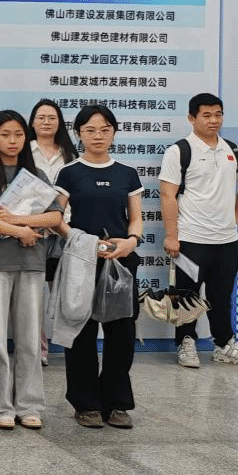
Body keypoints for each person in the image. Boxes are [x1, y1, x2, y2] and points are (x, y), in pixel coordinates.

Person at [0, 110, 63, 430]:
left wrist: (17, 221)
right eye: (5, 134)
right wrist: (20, 231)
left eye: (19, 134)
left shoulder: (36, 175)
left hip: (31, 264)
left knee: (29, 339)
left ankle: (29, 405)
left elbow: (54, 218)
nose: (13, 141)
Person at [55, 104, 144, 429]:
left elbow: (136, 217)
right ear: (79, 133)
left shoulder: (127, 173)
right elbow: (55, 219)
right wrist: (83, 242)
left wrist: (130, 241)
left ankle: (117, 402)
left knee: (122, 334)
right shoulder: (69, 173)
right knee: (82, 331)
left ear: (114, 133)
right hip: (83, 261)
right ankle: (86, 403)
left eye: (105, 130)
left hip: (121, 262)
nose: (98, 136)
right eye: (90, 130)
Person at [159, 92, 238, 368]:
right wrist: (171, 235)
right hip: (190, 240)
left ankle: (224, 345)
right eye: (207, 115)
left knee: (221, 296)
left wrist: (236, 216)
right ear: (192, 118)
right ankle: (186, 344)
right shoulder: (180, 151)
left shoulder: (232, 150)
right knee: (186, 296)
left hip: (227, 241)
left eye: (218, 114)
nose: (214, 120)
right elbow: (167, 195)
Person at [27, 99, 79, 367]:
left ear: (60, 123)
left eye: (52, 117)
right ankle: (38, 349)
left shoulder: (71, 155)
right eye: (41, 117)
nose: (46, 122)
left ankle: (72, 348)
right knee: (32, 297)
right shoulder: (24, 151)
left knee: (64, 295)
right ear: (32, 122)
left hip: (65, 230)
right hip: (32, 231)